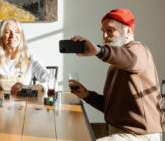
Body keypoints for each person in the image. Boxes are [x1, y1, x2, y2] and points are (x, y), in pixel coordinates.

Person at [69, 8, 164, 141]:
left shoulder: (139, 50)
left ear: (129, 31)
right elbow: (113, 108)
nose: (104, 36)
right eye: (103, 31)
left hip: (139, 136)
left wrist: (98, 50)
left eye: (110, 30)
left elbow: (131, 59)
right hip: (117, 130)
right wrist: (87, 95)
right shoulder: (116, 63)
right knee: (73, 133)